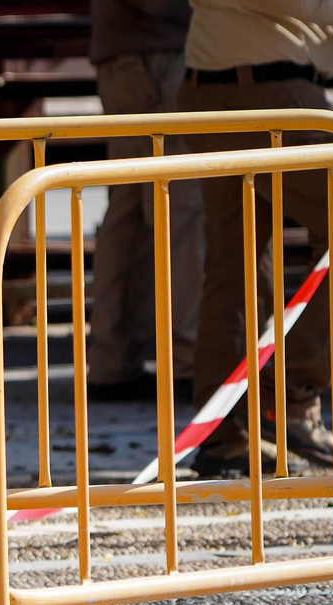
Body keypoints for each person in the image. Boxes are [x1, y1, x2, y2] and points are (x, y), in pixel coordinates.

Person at [180, 0, 333, 477]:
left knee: (234, 266)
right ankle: (288, 395)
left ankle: (227, 433)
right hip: (272, 91)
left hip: (236, 87)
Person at [87, 0, 203, 403]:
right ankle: (190, 359)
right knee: (180, 209)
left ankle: (112, 358)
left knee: (132, 211)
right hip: (159, 52)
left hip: (130, 53)